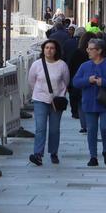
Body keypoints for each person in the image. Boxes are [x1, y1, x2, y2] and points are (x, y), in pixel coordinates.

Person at [71, 37, 106, 166]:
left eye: (91, 49)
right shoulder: (84, 66)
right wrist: (88, 80)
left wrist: (102, 82)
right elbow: (75, 82)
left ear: (99, 51)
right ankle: (93, 156)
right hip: (89, 102)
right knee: (92, 130)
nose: (88, 51)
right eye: (87, 48)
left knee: (105, 128)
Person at [27, 38, 70, 166]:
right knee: (40, 128)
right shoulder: (37, 64)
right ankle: (38, 154)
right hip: (40, 99)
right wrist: (39, 92)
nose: (49, 50)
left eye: (51, 48)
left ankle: (53, 152)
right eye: (46, 48)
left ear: (56, 50)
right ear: (43, 50)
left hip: (57, 101)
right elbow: (31, 80)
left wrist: (59, 94)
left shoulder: (62, 65)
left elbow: (66, 81)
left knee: (54, 129)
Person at [65, 29, 90, 129]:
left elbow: (71, 66)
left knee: (79, 101)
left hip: (77, 81)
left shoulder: (76, 52)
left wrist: (68, 81)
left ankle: (80, 119)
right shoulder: (94, 54)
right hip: (90, 81)